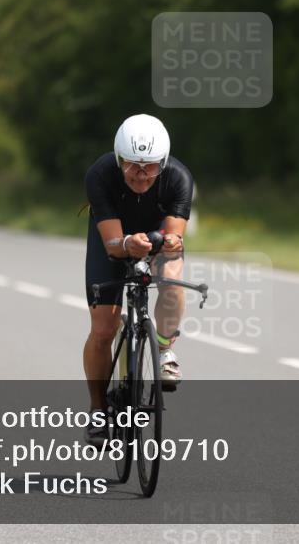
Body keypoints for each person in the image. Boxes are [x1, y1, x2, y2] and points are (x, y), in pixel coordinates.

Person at [82, 114, 193, 445]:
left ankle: (164, 350)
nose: (141, 174)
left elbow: (174, 236)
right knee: (103, 329)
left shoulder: (178, 177)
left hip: (157, 236)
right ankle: (98, 408)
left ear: (163, 161)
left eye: (150, 166)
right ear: (119, 160)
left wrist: (167, 244)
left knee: (171, 277)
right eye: (132, 165)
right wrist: (128, 244)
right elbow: (113, 243)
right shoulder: (101, 175)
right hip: (113, 240)